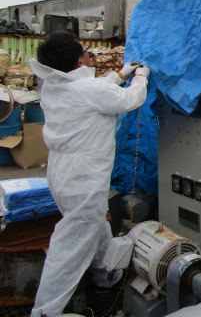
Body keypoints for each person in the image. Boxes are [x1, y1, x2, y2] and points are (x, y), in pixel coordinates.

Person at [29, 31, 150, 317]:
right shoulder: (89, 91)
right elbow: (129, 100)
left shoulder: (54, 85)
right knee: (71, 247)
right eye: (85, 52)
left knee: (96, 227)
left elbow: (91, 93)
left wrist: (119, 74)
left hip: (61, 173)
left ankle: (106, 279)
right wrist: (140, 77)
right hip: (84, 178)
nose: (89, 56)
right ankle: (46, 310)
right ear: (77, 60)